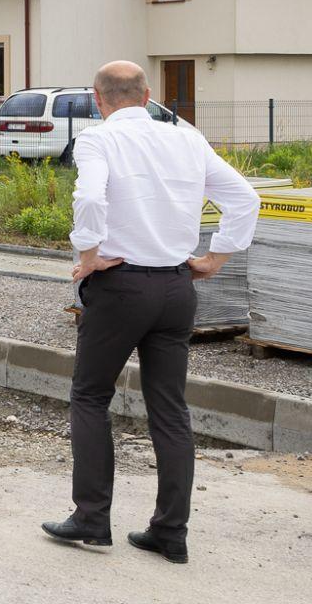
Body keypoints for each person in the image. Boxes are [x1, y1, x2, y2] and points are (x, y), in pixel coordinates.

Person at [41, 61, 259, 565]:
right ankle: (170, 531)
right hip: (177, 289)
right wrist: (215, 259)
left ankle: (92, 518)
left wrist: (88, 256)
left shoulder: (98, 141)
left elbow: (91, 196)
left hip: (120, 288)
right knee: (170, 409)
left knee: (91, 396)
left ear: (98, 99)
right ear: (147, 95)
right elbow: (244, 199)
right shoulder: (187, 138)